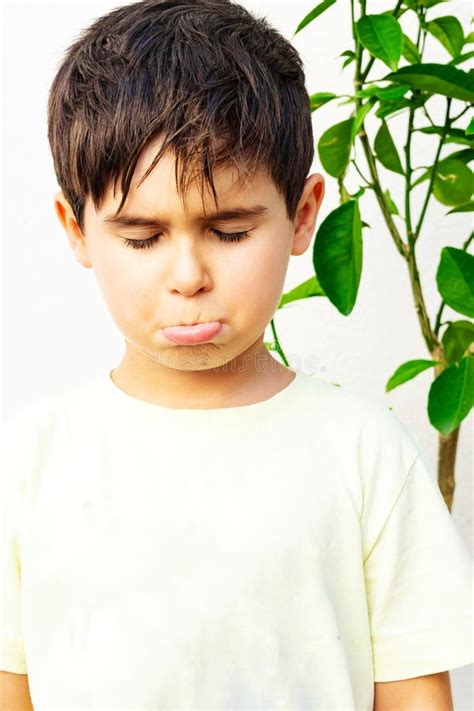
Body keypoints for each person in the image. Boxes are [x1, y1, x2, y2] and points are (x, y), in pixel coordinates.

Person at [0, 0, 472, 709]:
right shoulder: (31, 460)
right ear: (76, 229)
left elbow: (413, 697)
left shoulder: (365, 453)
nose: (187, 274)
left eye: (228, 230)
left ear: (303, 214)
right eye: (141, 237)